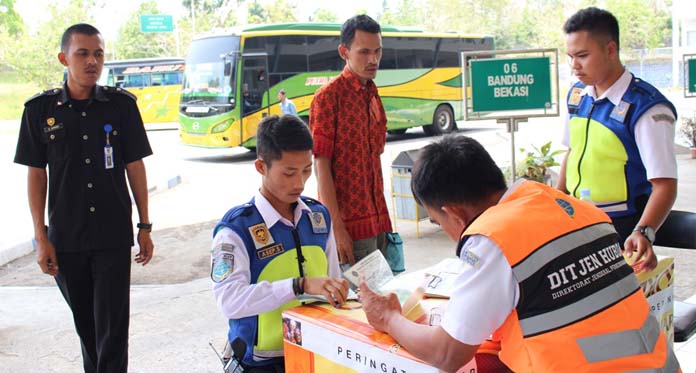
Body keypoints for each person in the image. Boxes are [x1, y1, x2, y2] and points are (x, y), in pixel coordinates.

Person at [360, 135, 680, 373]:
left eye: (438, 220)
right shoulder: (579, 210)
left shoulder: (492, 240)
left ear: (454, 214)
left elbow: (446, 354)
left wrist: (389, 318)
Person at [13, 23, 154, 372]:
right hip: (67, 238)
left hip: (112, 236)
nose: (92, 61)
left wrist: (145, 224)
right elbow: (36, 173)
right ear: (64, 58)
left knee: (113, 328)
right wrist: (41, 237)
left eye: (99, 54)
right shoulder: (39, 111)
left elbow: (134, 166)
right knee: (87, 327)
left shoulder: (120, 107)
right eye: (83, 53)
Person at [211, 114, 349, 372]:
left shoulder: (318, 217)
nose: (299, 183)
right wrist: (298, 286)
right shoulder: (236, 229)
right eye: (288, 173)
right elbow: (229, 300)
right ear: (261, 167)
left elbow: (332, 279)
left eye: (307, 170)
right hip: (263, 364)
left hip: (316, 354)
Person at [557, 7, 678, 273]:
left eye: (583, 56)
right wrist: (557, 201)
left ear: (611, 50)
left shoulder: (647, 108)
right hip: (577, 222)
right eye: (571, 57)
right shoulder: (577, 96)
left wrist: (643, 232)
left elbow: (665, 184)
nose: (574, 65)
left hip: (621, 228)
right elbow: (572, 151)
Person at [310, 14, 392, 267]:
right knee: (358, 304)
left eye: (377, 51)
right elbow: (320, 165)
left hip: (378, 220)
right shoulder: (328, 98)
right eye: (364, 52)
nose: (373, 60)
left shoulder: (372, 93)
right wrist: (336, 227)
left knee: (384, 298)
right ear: (344, 52)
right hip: (349, 227)